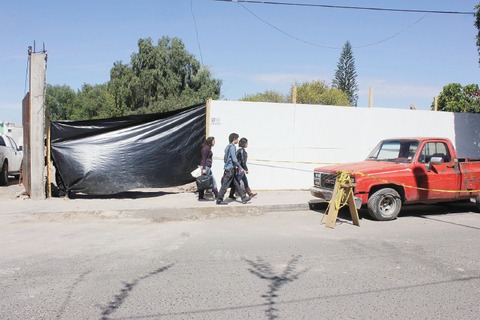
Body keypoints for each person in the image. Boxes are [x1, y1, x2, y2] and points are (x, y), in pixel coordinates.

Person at [216, 133, 251, 205]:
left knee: (236, 184)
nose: (238, 140)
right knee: (225, 185)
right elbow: (234, 159)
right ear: (234, 139)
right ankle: (219, 199)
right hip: (230, 169)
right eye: (237, 139)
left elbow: (225, 159)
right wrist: (240, 167)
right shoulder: (232, 147)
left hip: (229, 168)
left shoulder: (227, 147)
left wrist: (227, 165)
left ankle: (243, 197)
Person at [198, 136, 219, 201]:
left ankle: (201, 197)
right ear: (210, 141)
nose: (214, 142)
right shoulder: (206, 148)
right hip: (205, 167)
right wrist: (203, 168)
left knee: (205, 181)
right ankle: (217, 196)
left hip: (207, 167)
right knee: (209, 181)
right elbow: (203, 158)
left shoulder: (208, 148)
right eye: (213, 141)